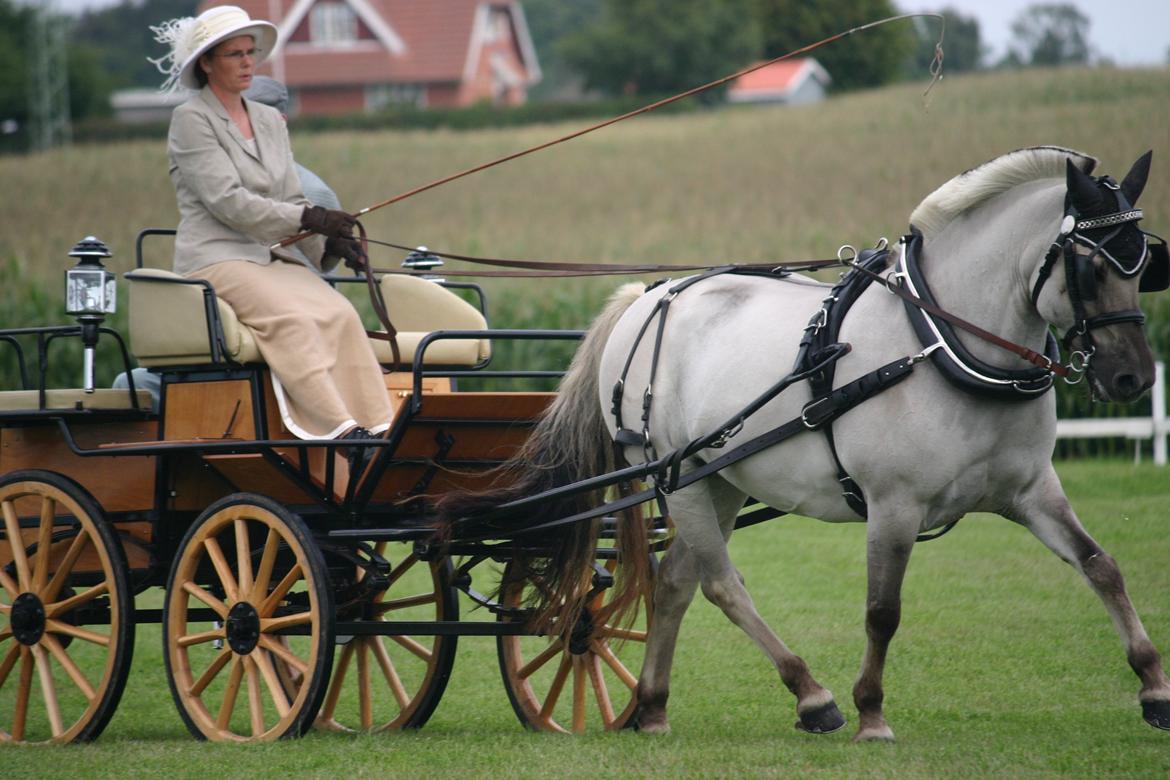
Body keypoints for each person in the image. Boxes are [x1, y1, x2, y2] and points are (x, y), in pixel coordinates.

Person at [148, 5, 391, 467]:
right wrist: (309, 218)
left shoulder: (268, 120)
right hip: (217, 258)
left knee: (339, 312)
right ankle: (339, 429)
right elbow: (228, 201)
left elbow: (292, 193)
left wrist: (330, 245)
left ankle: (380, 430)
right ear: (207, 63)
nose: (246, 63)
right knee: (293, 321)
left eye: (250, 53)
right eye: (233, 55)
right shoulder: (191, 121)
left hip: (272, 257)